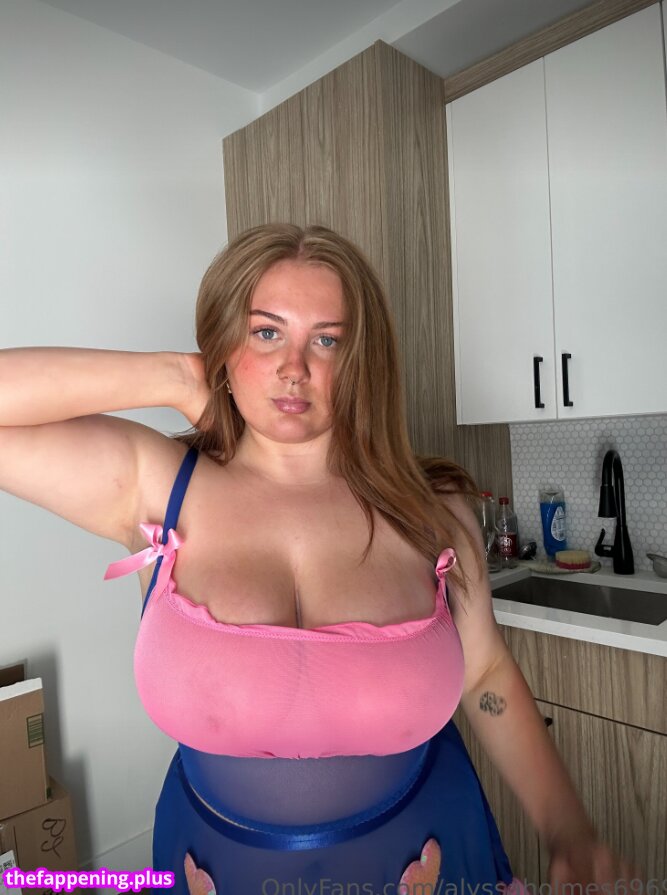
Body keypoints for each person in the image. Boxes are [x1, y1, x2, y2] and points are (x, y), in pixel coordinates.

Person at [0, 224, 637, 894]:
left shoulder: (433, 510)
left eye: (326, 340)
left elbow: (484, 675)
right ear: (224, 342)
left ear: (360, 360)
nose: (294, 367)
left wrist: (569, 830)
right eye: (265, 332)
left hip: (434, 860)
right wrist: (177, 374)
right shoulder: (155, 486)